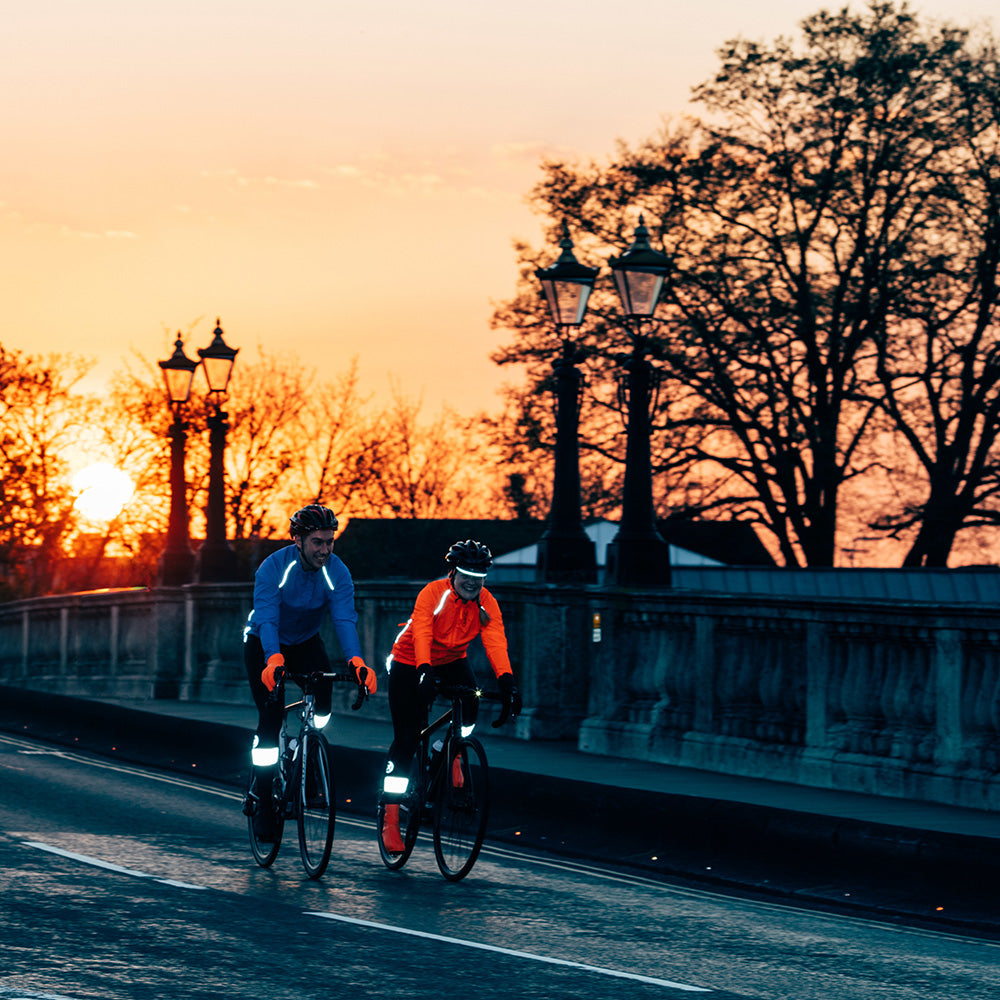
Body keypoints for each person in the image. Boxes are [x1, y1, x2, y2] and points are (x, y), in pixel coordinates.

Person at [242, 503, 376, 840]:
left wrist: (356, 662)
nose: (325, 550)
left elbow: (344, 618)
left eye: (330, 542)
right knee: (271, 720)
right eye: (318, 542)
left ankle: (307, 752)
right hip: (263, 642)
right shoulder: (273, 568)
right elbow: (268, 617)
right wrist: (273, 659)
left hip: (305, 642)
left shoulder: (337, 571)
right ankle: (262, 795)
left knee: (324, 699)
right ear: (298, 540)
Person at [380, 538, 521, 853]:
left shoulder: (486, 602)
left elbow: (495, 640)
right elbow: (422, 634)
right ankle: (391, 818)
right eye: (464, 574)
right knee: (407, 738)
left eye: (478, 576)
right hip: (409, 661)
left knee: (471, 705)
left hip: (453, 660)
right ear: (452, 573)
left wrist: (508, 681)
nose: (471, 581)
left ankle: (450, 749)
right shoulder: (432, 593)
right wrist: (424, 671)